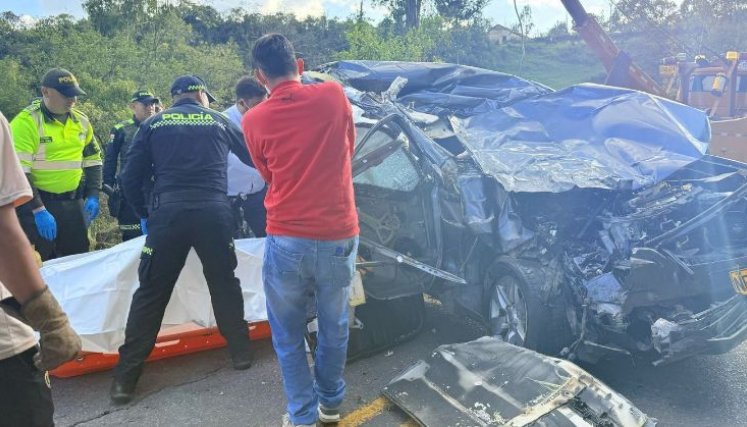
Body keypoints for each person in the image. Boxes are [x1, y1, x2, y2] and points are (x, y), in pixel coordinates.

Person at [111, 75, 254, 404]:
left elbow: (128, 177)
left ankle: (125, 381)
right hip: (214, 213)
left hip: (168, 215)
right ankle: (241, 353)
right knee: (223, 282)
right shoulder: (219, 120)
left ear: (173, 97)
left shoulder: (152, 123)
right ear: (201, 95)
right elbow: (255, 157)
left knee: (151, 292)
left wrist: (146, 212)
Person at [243, 34, 359, 427]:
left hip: (287, 236)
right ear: (302, 65)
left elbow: (267, 175)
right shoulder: (333, 95)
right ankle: (331, 404)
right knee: (335, 324)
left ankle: (303, 417)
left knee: (288, 335)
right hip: (338, 233)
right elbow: (349, 147)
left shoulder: (253, 119)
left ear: (260, 77)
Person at [0, 110, 82, 427]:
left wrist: (89, 193)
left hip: (68, 207)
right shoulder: (25, 122)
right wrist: (52, 322)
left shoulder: (80, 122)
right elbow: (5, 238)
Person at [10, 68, 102, 261]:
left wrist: (93, 194)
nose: (72, 100)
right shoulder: (26, 123)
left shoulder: (82, 121)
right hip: (37, 205)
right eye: (66, 95)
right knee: (38, 262)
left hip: (73, 204)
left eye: (75, 95)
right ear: (46, 92)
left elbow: (93, 161)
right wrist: (38, 209)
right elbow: (19, 172)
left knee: (77, 261)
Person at [103, 90, 160, 241]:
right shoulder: (121, 129)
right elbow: (110, 159)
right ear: (133, 106)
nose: (151, 107)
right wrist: (108, 188)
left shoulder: (162, 126)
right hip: (129, 192)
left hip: (157, 190)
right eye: (146, 104)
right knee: (132, 237)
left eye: (153, 104)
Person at [223, 76, 268, 238]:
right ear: (242, 103)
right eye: (258, 105)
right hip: (231, 197)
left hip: (259, 193)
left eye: (266, 103)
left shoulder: (267, 119)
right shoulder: (224, 123)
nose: (264, 109)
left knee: (267, 238)